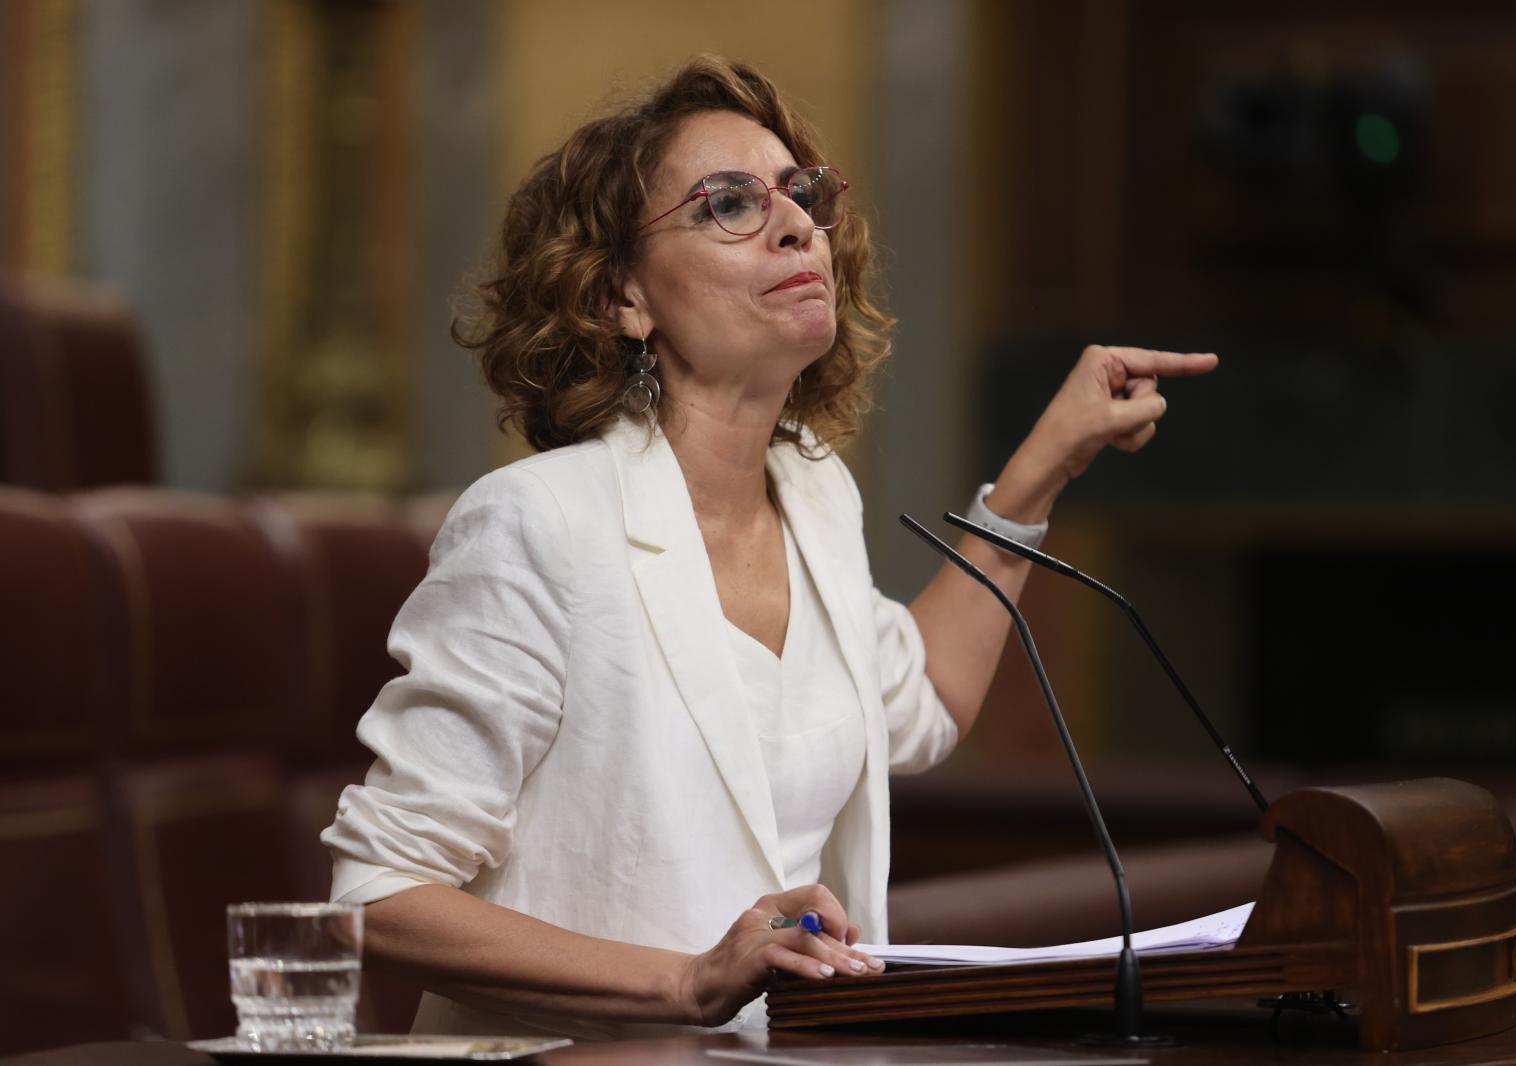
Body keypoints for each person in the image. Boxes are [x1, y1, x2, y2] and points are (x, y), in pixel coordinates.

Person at [321, 54, 1217, 1042]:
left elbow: (917, 702)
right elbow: (376, 894)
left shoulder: (813, 491)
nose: (797, 223)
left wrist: (1042, 469)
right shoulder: (538, 522)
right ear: (624, 294)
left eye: (801, 194)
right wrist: (688, 981)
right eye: (727, 204)